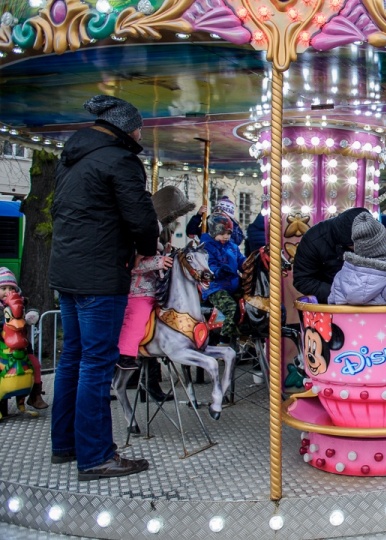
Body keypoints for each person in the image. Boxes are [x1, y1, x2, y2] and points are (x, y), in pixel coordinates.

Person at [50, 95, 158, 480]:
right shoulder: (120, 160)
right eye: (137, 128)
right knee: (96, 364)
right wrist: (147, 252)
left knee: (72, 358)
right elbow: (141, 218)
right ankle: (96, 456)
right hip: (100, 274)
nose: (139, 134)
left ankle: (64, 444)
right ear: (123, 129)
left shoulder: (70, 159)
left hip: (67, 271)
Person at [116, 185, 194, 402]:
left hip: (155, 290)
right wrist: (159, 261)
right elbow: (132, 265)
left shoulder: (155, 235)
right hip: (138, 291)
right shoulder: (132, 237)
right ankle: (126, 354)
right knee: (138, 317)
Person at [293, 207, 368, 303]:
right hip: (328, 301)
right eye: (355, 245)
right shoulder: (314, 240)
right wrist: (339, 294)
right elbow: (303, 280)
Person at [0, 268, 48, 409]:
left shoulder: (21, 303)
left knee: (35, 365)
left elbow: (32, 311)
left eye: (11, 288)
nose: (8, 291)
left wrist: (30, 316)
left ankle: (35, 395)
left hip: (21, 347)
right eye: (3, 288)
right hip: (2, 346)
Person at [200, 215, 246, 340]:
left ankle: (246, 337)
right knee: (231, 308)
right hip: (216, 287)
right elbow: (209, 266)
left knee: (251, 302)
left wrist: (248, 264)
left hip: (233, 284)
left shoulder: (232, 247)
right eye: (222, 233)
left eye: (228, 233)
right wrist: (219, 271)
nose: (226, 236)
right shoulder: (207, 248)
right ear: (214, 232)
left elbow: (241, 260)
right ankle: (224, 339)